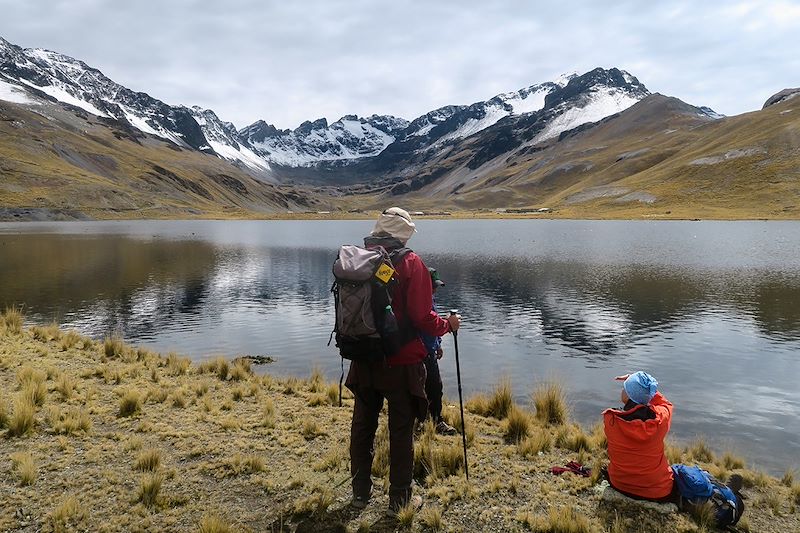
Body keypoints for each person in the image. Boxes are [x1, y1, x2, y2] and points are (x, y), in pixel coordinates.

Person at [346, 207, 460, 516]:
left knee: (363, 427)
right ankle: (400, 501)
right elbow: (422, 316)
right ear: (404, 233)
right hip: (401, 362)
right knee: (400, 432)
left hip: (364, 357)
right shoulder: (411, 263)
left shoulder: (358, 259)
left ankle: (359, 493)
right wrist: (447, 326)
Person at [602, 371, 677, 502]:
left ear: (629, 396)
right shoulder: (660, 421)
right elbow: (666, 405)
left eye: (625, 388)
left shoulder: (611, 420)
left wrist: (636, 382)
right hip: (658, 491)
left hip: (619, 484)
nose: (622, 390)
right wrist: (648, 390)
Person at [420, 267, 457, 435]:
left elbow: (432, 324)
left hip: (430, 351)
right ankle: (428, 421)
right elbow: (427, 324)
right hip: (420, 354)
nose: (435, 289)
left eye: (436, 286)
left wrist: (438, 344)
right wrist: (448, 326)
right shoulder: (419, 301)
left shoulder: (429, 298)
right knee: (428, 387)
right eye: (432, 285)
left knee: (434, 387)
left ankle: (432, 420)